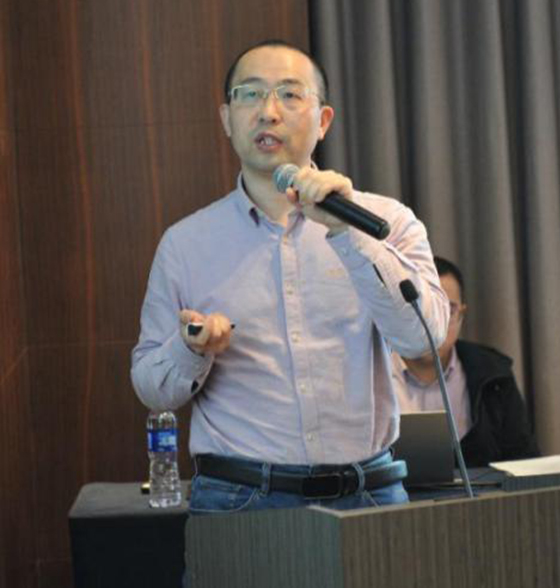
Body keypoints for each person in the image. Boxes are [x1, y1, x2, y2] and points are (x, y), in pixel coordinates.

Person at [131, 39, 449, 513]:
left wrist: (346, 232)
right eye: (250, 94)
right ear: (227, 120)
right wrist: (190, 349)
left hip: (369, 492)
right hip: (238, 498)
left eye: (290, 94)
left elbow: (423, 338)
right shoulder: (185, 244)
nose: (268, 112)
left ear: (323, 121)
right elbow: (151, 388)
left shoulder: (386, 221)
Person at [392, 256, 539, 467]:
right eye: (423, 309)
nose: (434, 323)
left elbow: (524, 461)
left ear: (461, 314)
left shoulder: (494, 375)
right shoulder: (369, 374)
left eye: (448, 310)